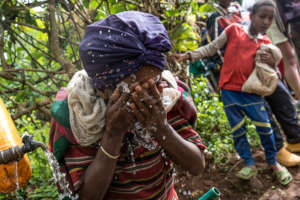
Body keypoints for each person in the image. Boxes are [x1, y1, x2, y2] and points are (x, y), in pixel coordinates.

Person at [49, 11, 206, 199]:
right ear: (104, 89)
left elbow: (196, 166)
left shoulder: (164, 99)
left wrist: (161, 127)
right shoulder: (80, 116)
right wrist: (113, 135)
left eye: (156, 80)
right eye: (138, 88)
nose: (153, 92)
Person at [171, 0, 292, 185]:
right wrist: (188, 55)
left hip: (252, 94)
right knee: (238, 131)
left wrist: (272, 61)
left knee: (266, 129)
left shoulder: (265, 42)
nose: (266, 21)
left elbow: (272, 71)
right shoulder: (233, 30)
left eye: (270, 18)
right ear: (251, 17)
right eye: (262, 16)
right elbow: (211, 48)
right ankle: (249, 164)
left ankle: (274, 162)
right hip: (229, 91)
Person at [201, 0, 300, 167]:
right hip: (240, 78)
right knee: (264, 110)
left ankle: (295, 138)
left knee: (282, 98)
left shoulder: (237, 12)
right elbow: (217, 50)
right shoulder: (215, 18)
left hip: (260, 70)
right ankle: (278, 150)